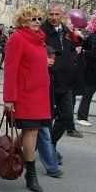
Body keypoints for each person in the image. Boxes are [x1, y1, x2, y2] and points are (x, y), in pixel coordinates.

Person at [3, 5, 51, 192]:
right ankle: (30, 174)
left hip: (40, 94)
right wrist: (9, 98)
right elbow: (10, 70)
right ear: (22, 21)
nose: (37, 21)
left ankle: (8, 153)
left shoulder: (40, 40)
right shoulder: (17, 38)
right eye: (33, 19)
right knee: (32, 131)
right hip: (24, 95)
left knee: (33, 130)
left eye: (39, 18)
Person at [40, 2, 77, 162]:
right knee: (46, 117)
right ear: (47, 14)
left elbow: (72, 50)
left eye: (57, 14)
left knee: (67, 114)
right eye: (51, 14)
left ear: (63, 15)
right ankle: (48, 150)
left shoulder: (66, 31)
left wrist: (73, 62)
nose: (54, 18)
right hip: (49, 80)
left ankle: (51, 143)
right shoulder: (41, 31)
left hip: (66, 80)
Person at [36, 45, 64, 178]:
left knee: (32, 135)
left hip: (45, 109)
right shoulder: (38, 72)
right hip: (38, 109)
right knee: (44, 135)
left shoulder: (49, 72)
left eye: (53, 58)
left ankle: (19, 155)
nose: (52, 60)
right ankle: (52, 166)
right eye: (49, 57)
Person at [77, 21, 96, 125]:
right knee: (87, 95)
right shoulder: (93, 38)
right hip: (93, 73)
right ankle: (82, 117)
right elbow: (88, 56)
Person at [65, 18, 84, 138]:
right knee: (67, 106)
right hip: (65, 78)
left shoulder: (76, 37)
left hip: (74, 77)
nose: (73, 25)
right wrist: (74, 53)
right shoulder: (65, 37)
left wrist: (81, 36)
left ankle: (69, 125)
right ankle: (70, 127)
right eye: (70, 23)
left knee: (70, 104)